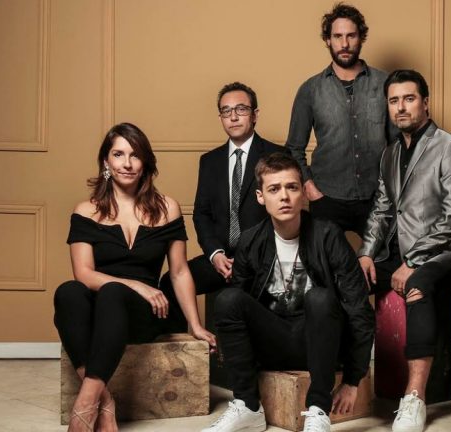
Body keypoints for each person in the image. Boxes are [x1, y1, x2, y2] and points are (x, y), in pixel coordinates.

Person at [53, 123, 216, 432]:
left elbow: (179, 271)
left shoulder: (167, 208)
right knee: (68, 291)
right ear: (106, 161)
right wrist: (135, 284)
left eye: (135, 155)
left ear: (146, 163)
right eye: (118, 154)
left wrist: (195, 325)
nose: (127, 163)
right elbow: (83, 273)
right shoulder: (86, 210)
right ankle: (103, 401)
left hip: (144, 314)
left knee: (113, 293)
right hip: (101, 311)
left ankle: (83, 409)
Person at [201, 152, 374, 432]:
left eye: (291, 187)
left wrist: (353, 380)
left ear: (303, 192)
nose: (284, 197)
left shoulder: (328, 235)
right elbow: (238, 313)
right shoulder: (250, 241)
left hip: (321, 343)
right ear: (261, 197)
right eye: (274, 189)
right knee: (228, 299)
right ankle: (248, 406)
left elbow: (359, 309)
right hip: (273, 342)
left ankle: (318, 410)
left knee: (319, 297)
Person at [358, 70, 451, 432]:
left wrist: (413, 261)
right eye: (394, 101)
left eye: (409, 99)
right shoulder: (390, 153)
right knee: (347, 279)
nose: (401, 107)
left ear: (425, 102)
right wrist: (365, 253)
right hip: (398, 251)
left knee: (417, 284)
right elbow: (381, 210)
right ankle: (349, 383)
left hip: (445, 256)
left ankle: (414, 398)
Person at [159, 82, 285, 328]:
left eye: (241, 109)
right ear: (220, 117)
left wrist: (249, 260)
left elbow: (284, 214)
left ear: (255, 114)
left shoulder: (277, 155)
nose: (233, 117)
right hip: (221, 259)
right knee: (169, 282)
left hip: (262, 260)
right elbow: (201, 214)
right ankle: (184, 347)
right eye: (226, 111)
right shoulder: (210, 161)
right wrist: (215, 254)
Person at [286, 2, 395, 235]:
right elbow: (294, 147)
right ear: (328, 40)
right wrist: (310, 187)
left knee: (384, 257)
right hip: (327, 198)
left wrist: (391, 190)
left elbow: (398, 144)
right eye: (337, 36)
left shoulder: (385, 84)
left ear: (361, 38)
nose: (344, 44)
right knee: (326, 259)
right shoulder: (310, 89)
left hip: (377, 198)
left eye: (351, 36)